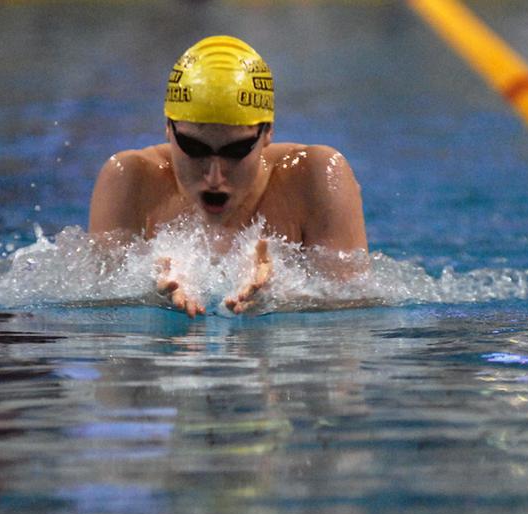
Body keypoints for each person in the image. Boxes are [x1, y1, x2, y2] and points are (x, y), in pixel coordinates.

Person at [89, 35, 367, 317]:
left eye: (236, 150)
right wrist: (148, 292)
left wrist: (284, 296)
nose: (214, 176)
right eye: (194, 148)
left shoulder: (316, 176)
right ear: (168, 128)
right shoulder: (129, 180)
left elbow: (355, 320)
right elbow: (99, 320)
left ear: (267, 131)